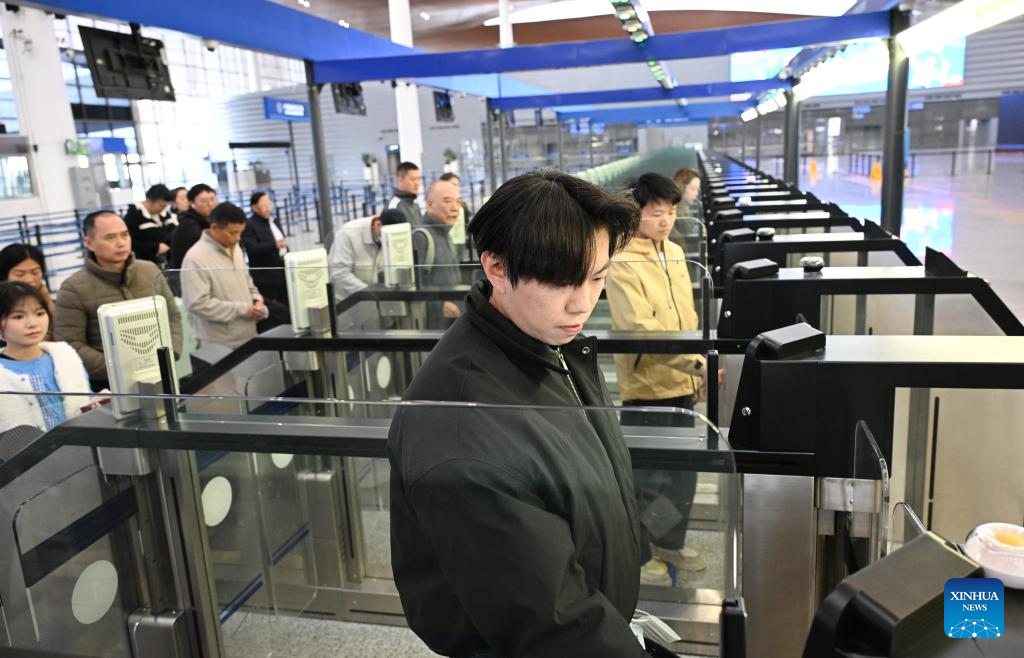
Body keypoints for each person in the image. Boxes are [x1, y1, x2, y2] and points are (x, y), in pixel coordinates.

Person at [389, 170, 650, 657]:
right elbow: (550, 622)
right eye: (560, 281)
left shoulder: (544, 344)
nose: (583, 302)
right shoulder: (464, 432)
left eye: (598, 277)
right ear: (497, 269)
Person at [606, 172, 707, 586]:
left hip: (684, 382)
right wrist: (697, 365)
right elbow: (640, 328)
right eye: (655, 213)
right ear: (636, 213)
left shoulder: (678, 253)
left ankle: (668, 543)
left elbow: (690, 318)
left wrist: (697, 364)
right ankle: (640, 553)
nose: (665, 220)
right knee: (646, 477)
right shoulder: (623, 259)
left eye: (670, 211)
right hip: (647, 384)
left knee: (683, 477)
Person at [54, 211, 182, 391]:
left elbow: (173, 316)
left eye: (125, 235)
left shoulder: (150, 271)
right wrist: (119, 370)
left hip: (159, 373)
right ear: (89, 243)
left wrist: (170, 353)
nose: (121, 243)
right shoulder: (73, 288)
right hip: (109, 386)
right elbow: (70, 344)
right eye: (110, 237)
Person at [0, 282, 93, 434]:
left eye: (40, 313)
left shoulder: (65, 355)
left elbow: (85, 402)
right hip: (28, 457)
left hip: (81, 450)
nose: (33, 323)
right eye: (18, 316)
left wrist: (96, 405)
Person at [181, 202, 268, 350]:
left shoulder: (236, 249)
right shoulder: (195, 258)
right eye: (233, 233)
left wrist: (256, 300)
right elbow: (197, 304)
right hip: (218, 344)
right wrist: (242, 309)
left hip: (248, 335)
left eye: (241, 232)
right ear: (214, 228)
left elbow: (247, 282)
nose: (238, 238)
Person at [412, 179, 462, 328]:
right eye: (447, 201)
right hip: (434, 326)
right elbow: (414, 284)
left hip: (452, 320)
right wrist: (439, 305)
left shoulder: (446, 233)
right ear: (429, 204)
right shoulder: (420, 237)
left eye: (458, 202)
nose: (455, 208)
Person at [328, 209, 407, 302]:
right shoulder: (347, 234)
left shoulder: (385, 234)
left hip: (372, 300)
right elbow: (339, 274)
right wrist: (371, 294)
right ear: (378, 225)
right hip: (346, 302)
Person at [242, 191, 289, 307]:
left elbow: (282, 242)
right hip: (266, 276)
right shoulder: (250, 224)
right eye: (264, 205)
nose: (268, 208)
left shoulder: (274, 220)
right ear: (254, 208)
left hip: (282, 271)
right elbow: (251, 248)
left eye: (269, 204)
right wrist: (274, 246)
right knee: (274, 308)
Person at [0, 243, 54, 335]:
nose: (29, 280)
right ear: (4, 276)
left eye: (35, 272)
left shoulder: (50, 302)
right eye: (19, 274)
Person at [123, 184, 176, 266]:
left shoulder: (163, 214)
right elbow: (130, 242)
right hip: (143, 262)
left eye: (165, 206)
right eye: (161, 205)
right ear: (149, 201)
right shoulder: (134, 215)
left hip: (163, 261)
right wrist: (154, 247)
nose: (163, 209)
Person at [169, 183, 218, 270]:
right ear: (191, 203)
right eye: (204, 201)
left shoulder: (213, 221)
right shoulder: (188, 226)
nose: (210, 204)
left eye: (213, 199)